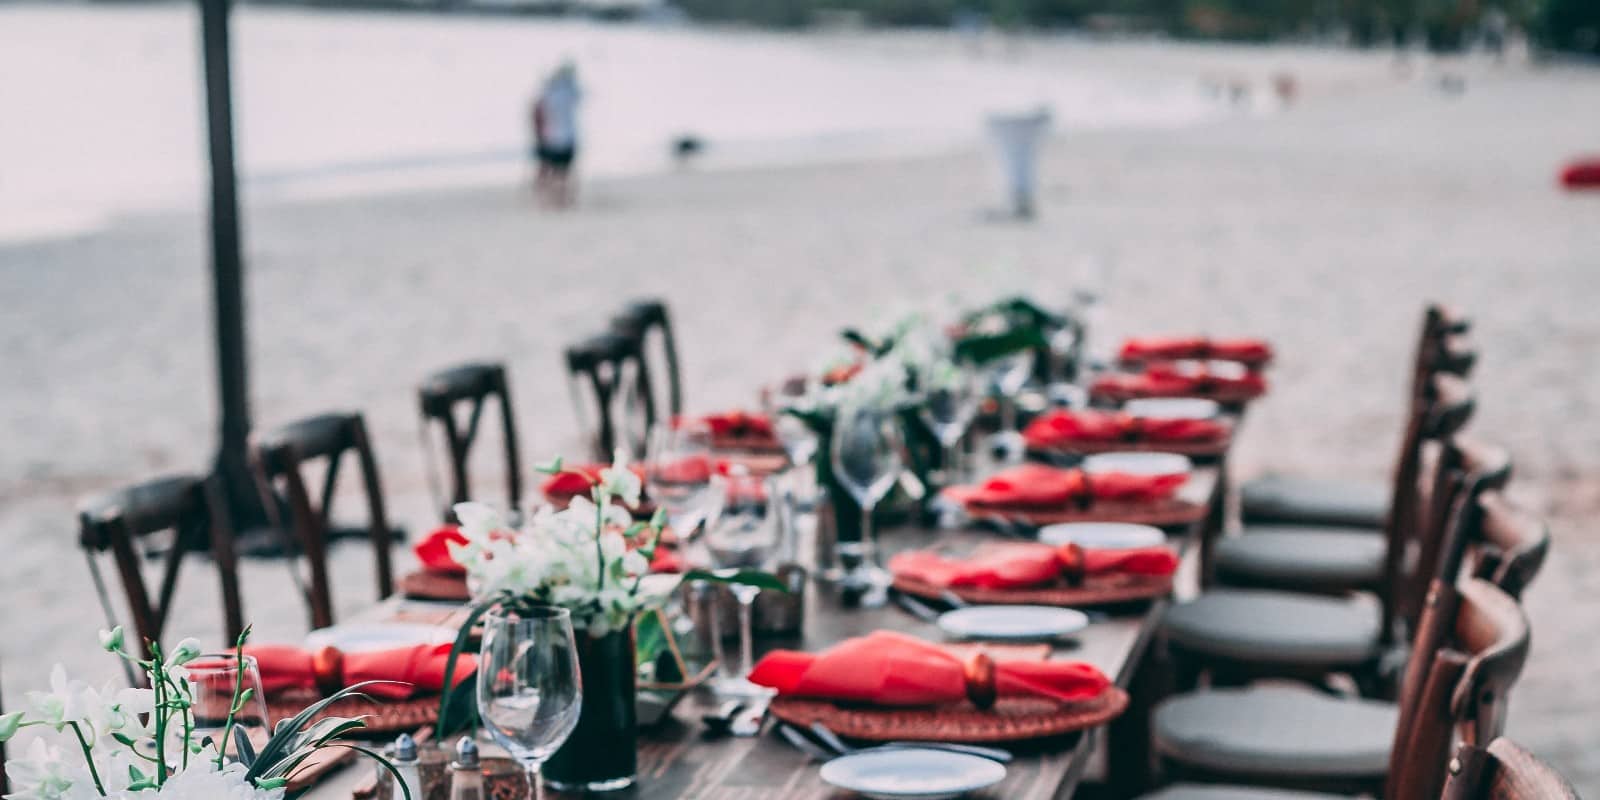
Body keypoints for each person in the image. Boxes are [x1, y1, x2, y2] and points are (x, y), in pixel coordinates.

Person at [531, 61, 581, 208]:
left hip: (552, 138)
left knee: (552, 172)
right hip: (561, 139)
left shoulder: (551, 92)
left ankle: (549, 199)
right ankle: (560, 200)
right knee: (561, 173)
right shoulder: (567, 92)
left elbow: (537, 113)